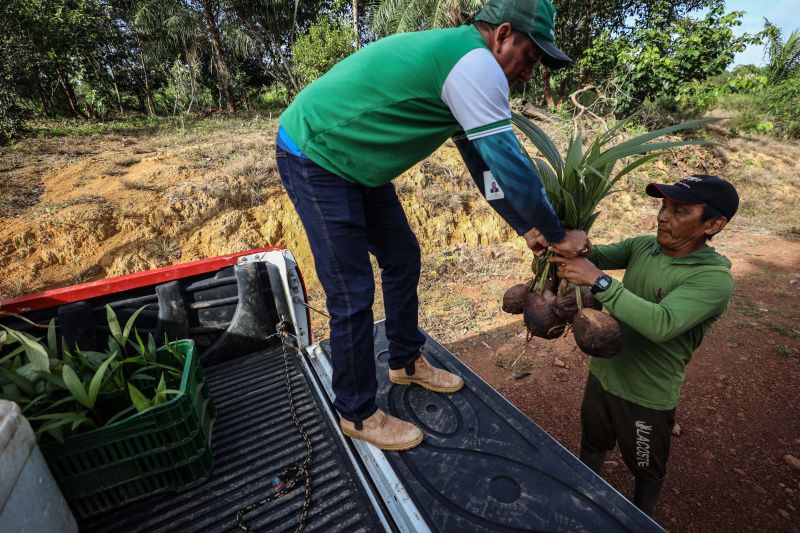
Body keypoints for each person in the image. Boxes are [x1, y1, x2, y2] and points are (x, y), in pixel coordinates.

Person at [275, 0, 589, 451]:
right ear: (502, 34)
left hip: (357, 163)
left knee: (402, 256)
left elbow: (483, 167)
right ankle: (357, 412)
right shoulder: (474, 66)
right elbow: (512, 167)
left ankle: (404, 360)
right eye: (530, 58)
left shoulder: (464, 63)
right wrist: (558, 234)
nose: (527, 75)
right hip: (317, 154)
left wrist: (526, 227)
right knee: (350, 291)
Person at [546, 174, 740, 516]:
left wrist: (598, 279)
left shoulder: (712, 279)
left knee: (646, 468)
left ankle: (641, 518)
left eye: (680, 210)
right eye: (664, 206)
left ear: (714, 224)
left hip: (647, 394)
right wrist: (565, 242)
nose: (663, 216)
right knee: (592, 445)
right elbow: (595, 255)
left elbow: (661, 324)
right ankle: (584, 498)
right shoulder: (643, 246)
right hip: (604, 374)